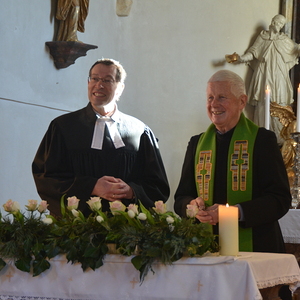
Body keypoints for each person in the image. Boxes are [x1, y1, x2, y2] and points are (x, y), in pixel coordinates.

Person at [32, 58, 170, 216]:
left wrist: (132, 191)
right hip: (76, 229)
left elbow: (158, 186)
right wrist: (92, 186)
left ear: (120, 88)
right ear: (88, 82)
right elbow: (46, 178)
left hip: (126, 229)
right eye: (95, 79)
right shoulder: (63, 127)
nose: (99, 85)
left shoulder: (139, 131)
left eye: (107, 80)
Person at [174, 70, 291, 254]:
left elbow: (280, 200)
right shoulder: (197, 143)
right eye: (210, 97)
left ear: (242, 101)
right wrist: (192, 206)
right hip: (205, 248)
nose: (214, 104)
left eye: (222, 97)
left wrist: (234, 213)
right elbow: (180, 198)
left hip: (257, 246)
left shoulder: (262, 140)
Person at [226, 14, 300, 141]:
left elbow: (296, 50)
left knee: (280, 103)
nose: (279, 26)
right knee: (263, 102)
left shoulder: (284, 40)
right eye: (278, 22)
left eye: (281, 24)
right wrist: (240, 58)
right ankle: (262, 138)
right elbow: (253, 52)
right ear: (273, 22)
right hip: (264, 74)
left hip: (279, 77)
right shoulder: (263, 37)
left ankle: (280, 140)